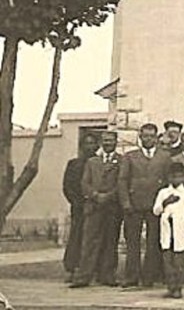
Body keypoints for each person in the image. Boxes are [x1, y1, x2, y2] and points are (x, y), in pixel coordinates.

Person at [118, 122, 171, 287]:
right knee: (132, 242)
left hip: (155, 206)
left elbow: (169, 182)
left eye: (151, 136)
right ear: (140, 138)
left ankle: (149, 277)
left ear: (157, 138)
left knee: (153, 242)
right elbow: (122, 180)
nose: (148, 139)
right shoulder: (130, 156)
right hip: (134, 205)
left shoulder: (164, 156)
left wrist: (165, 204)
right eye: (145, 136)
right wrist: (126, 202)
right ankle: (131, 276)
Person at [70, 131, 121, 288]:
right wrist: (95, 195)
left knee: (110, 242)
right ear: (101, 143)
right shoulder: (92, 162)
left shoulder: (122, 161)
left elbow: (122, 182)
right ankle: (84, 276)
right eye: (105, 141)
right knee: (89, 242)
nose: (108, 143)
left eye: (111, 140)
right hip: (93, 206)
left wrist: (109, 196)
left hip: (112, 207)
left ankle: (107, 275)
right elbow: (84, 183)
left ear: (116, 142)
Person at [152, 162, 184, 299]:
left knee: (179, 261)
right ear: (169, 177)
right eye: (173, 177)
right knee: (168, 261)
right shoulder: (163, 192)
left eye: (179, 177)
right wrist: (165, 202)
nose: (176, 179)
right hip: (167, 229)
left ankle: (178, 288)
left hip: (181, 230)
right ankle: (170, 287)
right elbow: (156, 211)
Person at [63, 133, 99, 282]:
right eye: (87, 143)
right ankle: (72, 268)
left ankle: (94, 269)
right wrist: (77, 202)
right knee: (76, 237)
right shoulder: (74, 164)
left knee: (94, 238)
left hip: (96, 206)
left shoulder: (100, 163)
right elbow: (67, 187)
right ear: (82, 146)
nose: (90, 146)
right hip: (79, 206)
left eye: (92, 143)